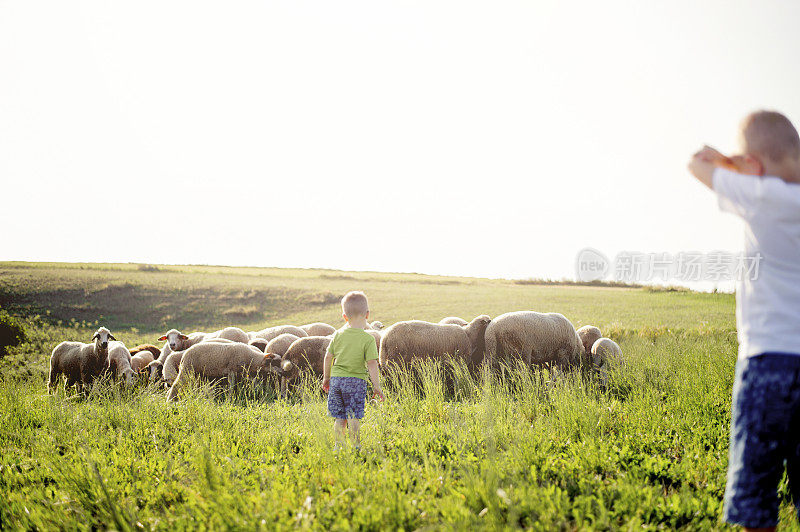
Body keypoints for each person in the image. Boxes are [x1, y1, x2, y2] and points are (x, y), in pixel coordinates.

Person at [688, 110, 800, 531]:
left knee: (756, 491)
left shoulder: (760, 194)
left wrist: (734, 165)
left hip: (767, 361)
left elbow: (697, 163)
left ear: (753, 163)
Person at [322, 291, 385, 450]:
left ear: (344, 317)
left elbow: (328, 357)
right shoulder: (368, 339)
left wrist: (326, 378)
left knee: (339, 417)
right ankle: (356, 446)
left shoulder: (337, 335)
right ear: (368, 315)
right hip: (355, 382)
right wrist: (376, 386)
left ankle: (338, 445)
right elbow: (372, 364)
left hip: (336, 381)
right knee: (353, 417)